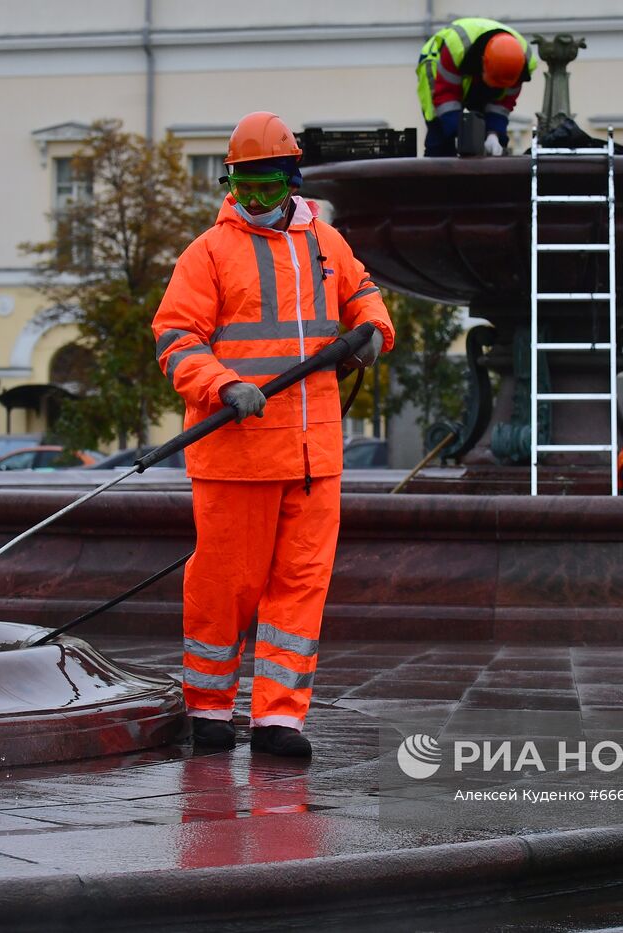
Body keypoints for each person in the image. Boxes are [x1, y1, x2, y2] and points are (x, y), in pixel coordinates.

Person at [153, 111, 395, 759]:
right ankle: (209, 708)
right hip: (235, 454)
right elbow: (175, 340)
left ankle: (278, 718)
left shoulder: (327, 244)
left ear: (292, 180)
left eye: (268, 185)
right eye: (244, 186)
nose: (255, 199)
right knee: (225, 587)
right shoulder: (208, 253)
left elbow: (367, 299)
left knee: (299, 588)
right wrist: (224, 385)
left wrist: (372, 332)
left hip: (314, 458)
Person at [417, 17, 536, 157]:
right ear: (482, 64)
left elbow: (502, 105)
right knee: (440, 131)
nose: (495, 88)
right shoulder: (455, 48)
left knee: (487, 136)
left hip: (475, 65)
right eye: (494, 82)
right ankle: (436, 168)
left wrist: (494, 134)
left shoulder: (520, 65)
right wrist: (459, 134)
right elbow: (446, 98)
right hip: (438, 61)